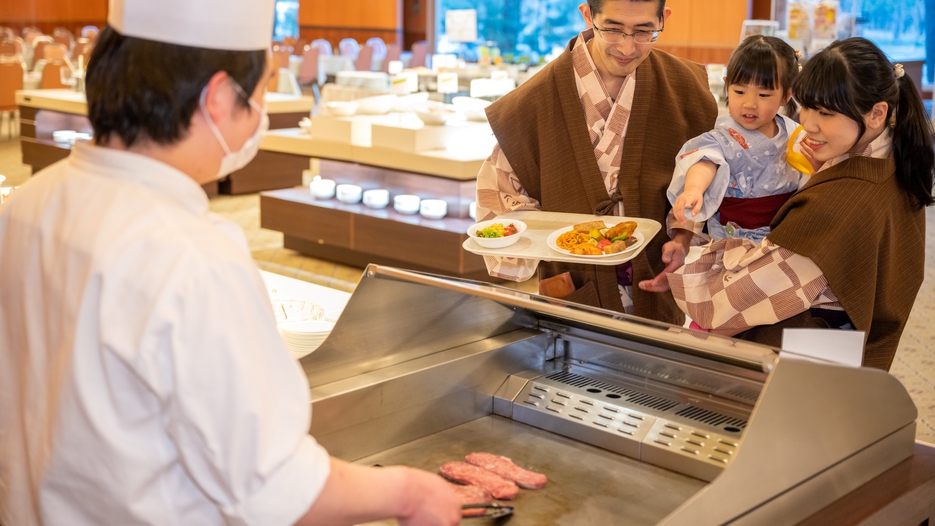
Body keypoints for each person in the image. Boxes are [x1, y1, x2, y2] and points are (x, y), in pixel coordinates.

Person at [0, 1, 460, 524]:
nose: (262, 110)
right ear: (218, 98)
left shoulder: (25, 205)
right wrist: (409, 493)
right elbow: (274, 487)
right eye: (261, 90)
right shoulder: (192, 255)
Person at [640, 37, 935, 371]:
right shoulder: (896, 162)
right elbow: (706, 160)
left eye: (825, 112)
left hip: (807, 346)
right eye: (807, 107)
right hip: (846, 343)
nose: (808, 124)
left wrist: (685, 275)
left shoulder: (840, 201)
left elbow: (729, 306)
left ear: (877, 113)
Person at [475, 0, 718, 325]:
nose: (628, 47)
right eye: (613, 29)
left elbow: (702, 175)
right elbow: (501, 194)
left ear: (663, 19)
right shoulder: (534, 100)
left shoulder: (687, 88)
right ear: (588, 15)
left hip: (658, 289)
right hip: (571, 290)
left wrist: (683, 235)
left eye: (644, 31)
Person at [668, 35, 802, 244]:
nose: (749, 103)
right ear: (727, 86)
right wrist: (694, 188)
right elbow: (706, 160)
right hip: (731, 239)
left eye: (763, 95)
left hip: (782, 235)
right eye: (739, 91)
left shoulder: (796, 134)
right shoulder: (723, 136)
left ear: (786, 95)